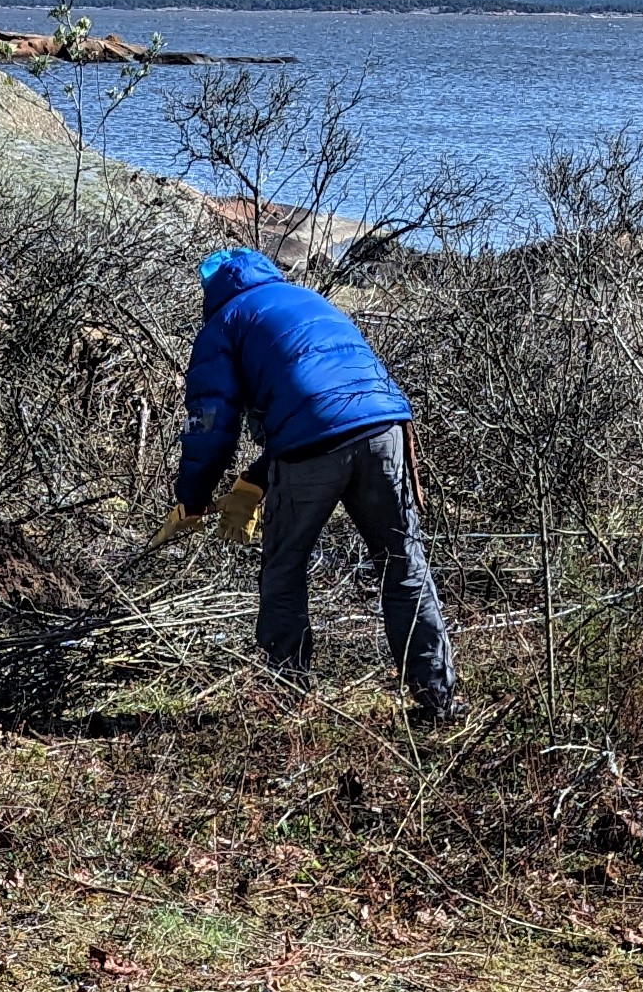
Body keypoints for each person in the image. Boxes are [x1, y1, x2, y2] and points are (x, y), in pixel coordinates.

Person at [166, 246, 461, 721]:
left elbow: (210, 421)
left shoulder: (224, 322)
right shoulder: (308, 299)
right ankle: (438, 699)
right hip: (387, 429)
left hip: (314, 447)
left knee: (285, 566)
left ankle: (285, 696)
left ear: (212, 290)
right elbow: (330, 403)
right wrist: (254, 480)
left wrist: (192, 499)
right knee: (404, 562)